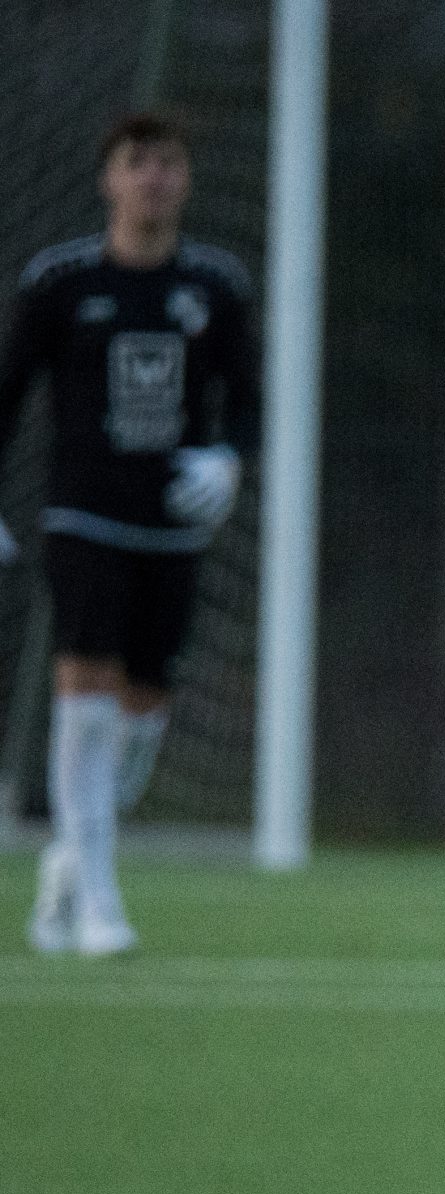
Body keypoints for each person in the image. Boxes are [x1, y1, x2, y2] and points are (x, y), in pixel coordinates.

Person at [1, 111, 258, 956]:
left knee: (142, 719)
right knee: (87, 696)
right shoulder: (60, 282)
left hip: (171, 530)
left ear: (186, 179)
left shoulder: (215, 286)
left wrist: (227, 460)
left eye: (168, 163)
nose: (154, 177)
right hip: (83, 519)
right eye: (137, 162)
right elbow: (7, 395)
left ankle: (70, 862)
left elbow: (249, 399)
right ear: (108, 178)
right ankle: (101, 905)